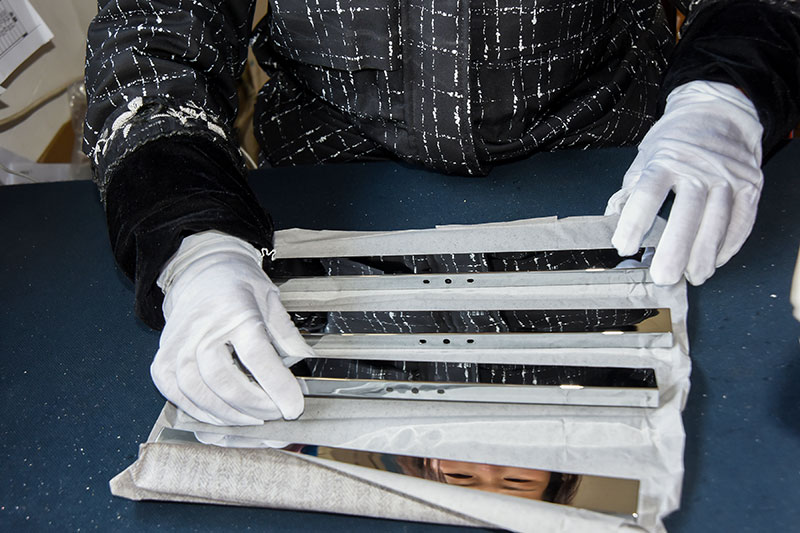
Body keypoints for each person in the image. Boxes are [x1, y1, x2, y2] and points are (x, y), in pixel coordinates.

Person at [84, 1, 800, 425]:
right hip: (320, 193)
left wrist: (725, 96)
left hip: (626, 186)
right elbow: (151, 37)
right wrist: (192, 234)